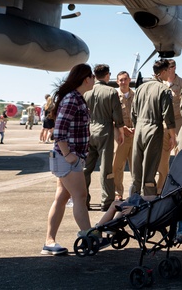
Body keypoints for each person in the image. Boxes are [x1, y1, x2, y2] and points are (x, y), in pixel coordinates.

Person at [42, 62, 95, 255]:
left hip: (68, 157)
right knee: (80, 197)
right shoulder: (73, 99)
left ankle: (49, 241)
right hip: (67, 158)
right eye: (92, 77)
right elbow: (59, 130)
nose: (94, 80)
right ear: (86, 79)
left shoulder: (76, 98)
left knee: (62, 198)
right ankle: (89, 237)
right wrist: (68, 155)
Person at [131, 59, 177, 197]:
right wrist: (173, 136)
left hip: (139, 128)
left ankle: (134, 196)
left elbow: (133, 112)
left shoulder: (140, 88)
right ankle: (149, 198)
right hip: (153, 128)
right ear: (162, 72)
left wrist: (136, 126)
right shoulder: (163, 89)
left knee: (137, 165)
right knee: (150, 166)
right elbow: (168, 116)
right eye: (168, 71)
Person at [83, 64, 123, 211]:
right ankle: (106, 202)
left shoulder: (86, 92)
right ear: (107, 75)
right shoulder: (111, 91)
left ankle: (83, 199)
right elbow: (117, 115)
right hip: (105, 130)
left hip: (89, 130)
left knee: (86, 168)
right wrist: (120, 131)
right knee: (106, 168)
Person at [155, 58, 182, 192]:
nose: (170, 68)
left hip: (178, 122)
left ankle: (181, 184)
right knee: (162, 157)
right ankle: (161, 187)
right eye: (168, 66)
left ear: (175, 67)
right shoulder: (159, 84)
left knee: (180, 154)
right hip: (162, 123)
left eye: (172, 66)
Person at [111, 70, 135, 200]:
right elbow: (109, 115)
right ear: (117, 82)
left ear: (129, 80)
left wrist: (137, 128)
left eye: (125, 79)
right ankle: (117, 192)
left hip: (134, 135)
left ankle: (136, 191)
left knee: (136, 165)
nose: (123, 82)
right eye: (120, 80)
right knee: (117, 165)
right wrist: (121, 127)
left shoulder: (136, 95)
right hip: (120, 135)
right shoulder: (113, 96)